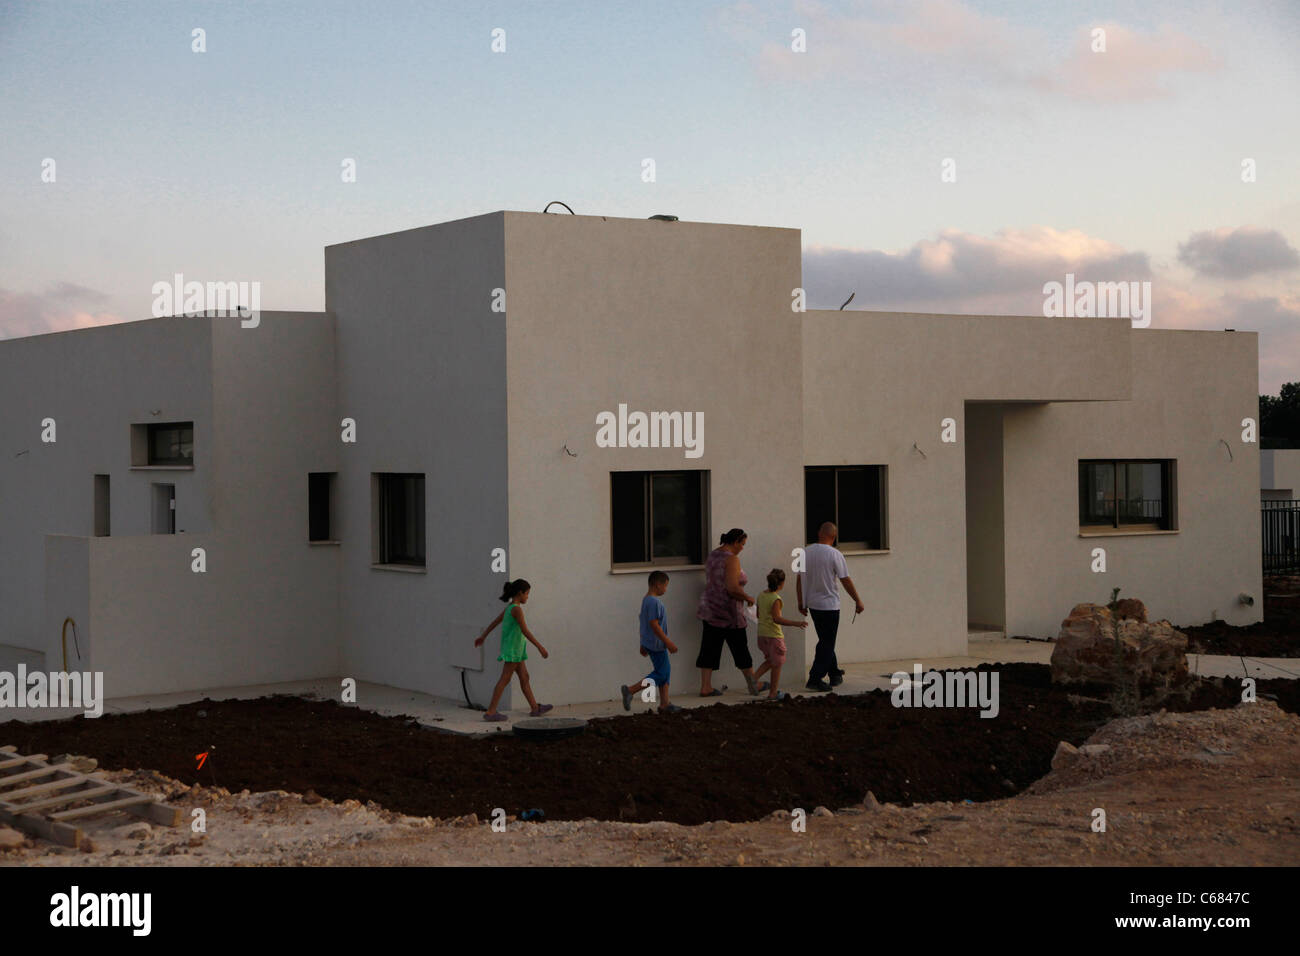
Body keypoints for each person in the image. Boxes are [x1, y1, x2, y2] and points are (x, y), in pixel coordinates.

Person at [797, 522, 865, 692]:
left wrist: (801, 602)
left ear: (820, 533)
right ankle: (815, 678)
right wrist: (857, 600)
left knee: (825, 640)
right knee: (827, 643)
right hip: (829, 606)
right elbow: (845, 579)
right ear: (833, 537)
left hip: (813, 605)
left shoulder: (805, 552)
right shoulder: (835, 554)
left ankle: (834, 673)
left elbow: (800, 579)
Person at [474, 578, 553, 721]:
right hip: (513, 651)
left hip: (517, 650)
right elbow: (525, 630)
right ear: (520, 593)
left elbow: (495, 622)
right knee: (504, 679)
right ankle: (491, 712)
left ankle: (535, 708)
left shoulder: (510, 608)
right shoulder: (516, 609)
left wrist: (483, 636)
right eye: (527, 594)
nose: (528, 597)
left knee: (524, 678)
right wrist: (540, 647)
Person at [696, 528, 761, 697]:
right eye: (743, 544)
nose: (743, 548)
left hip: (709, 608)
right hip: (728, 611)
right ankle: (753, 684)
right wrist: (748, 597)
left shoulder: (713, 555)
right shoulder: (731, 559)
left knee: (709, 647)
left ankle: (705, 686)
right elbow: (732, 588)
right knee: (740, 647)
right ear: (736, 542)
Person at [620, 570, 681, 713]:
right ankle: (631, 690)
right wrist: (668, 642)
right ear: (657, 584)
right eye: (665, 586)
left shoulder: (646, 600)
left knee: (665, 672)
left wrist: (642, 644)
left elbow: (643, 623)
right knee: (661, 674)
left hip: (651, 643)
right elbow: (653, 624)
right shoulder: (654, 602)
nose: (666, 589)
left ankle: (665, 704)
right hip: (657, 644)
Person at [753, 568, 806, 699]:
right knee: (777, 664)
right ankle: (772, 693)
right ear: (781, 583)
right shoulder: (776, 599)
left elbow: (759, 615)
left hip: (762, 635)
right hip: (774, 636)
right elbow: (777, 619)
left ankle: (752, 680)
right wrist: (796, 623)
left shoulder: (761, 595)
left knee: (770, 661)